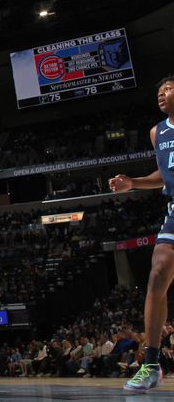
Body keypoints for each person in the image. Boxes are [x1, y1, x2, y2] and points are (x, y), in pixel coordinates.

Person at [111, 75, 174, 393]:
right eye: (159, 90)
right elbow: (163, 175)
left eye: (169, 89)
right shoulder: (157, 132)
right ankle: (151, 364)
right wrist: (133, 182)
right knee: (157, 272)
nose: (162, 94)